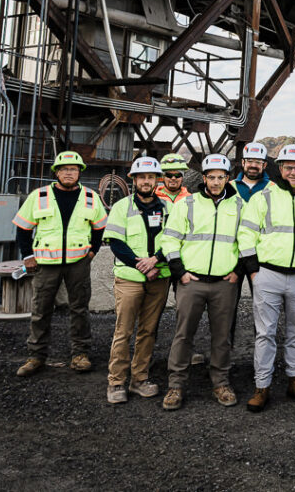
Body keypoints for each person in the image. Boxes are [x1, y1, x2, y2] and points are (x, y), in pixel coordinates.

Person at [237, 144, 295, 412]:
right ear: (280, 169)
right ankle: (261, 387)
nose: (293, 171)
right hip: (268, 274)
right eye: (288, 167)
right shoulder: (264, 197)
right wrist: (254, 270)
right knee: (265, 334)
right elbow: (246, 234)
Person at [160, 154, 244, 411]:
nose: (216, 182)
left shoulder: (240, 206)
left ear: (227, 178)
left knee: (221, 337)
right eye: (212, 177)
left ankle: (220, 382)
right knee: (183, 335)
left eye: (221, 177)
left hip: (224, 283)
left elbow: (248, 240)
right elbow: (170, 239)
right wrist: (180, 272)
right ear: (204, 178)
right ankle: (175, 385)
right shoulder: (188, 204)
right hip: (191, 281)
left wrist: (237, 271)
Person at [12, 151, 108, 377]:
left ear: (79, 172)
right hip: (45, 264)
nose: (68, 172)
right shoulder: (39, 196)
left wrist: (92, 252)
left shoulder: (91, 197)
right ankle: (36, 356)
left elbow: (100, 227)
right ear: (56, 172)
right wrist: (28, 256)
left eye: (73, 169)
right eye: (64, 169)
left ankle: (80, 354)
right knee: (41, 310)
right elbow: (23, 228)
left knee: (79, 309)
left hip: (78, 263)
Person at [102, 156, 171, 404]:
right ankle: (116, 382)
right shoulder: (122, 207)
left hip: (159, 277)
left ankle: (139, 379)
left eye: (150, 177)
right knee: (123, 331)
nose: (146, 181)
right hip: (130, 278)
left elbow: (174, 240)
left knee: (148, 331)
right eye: (141, 177)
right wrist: (141, 265)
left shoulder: (166, 208)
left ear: (156, 180)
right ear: (134, 180)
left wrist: (155, 260)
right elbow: (116, 242)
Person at [229, 141, 272, 346]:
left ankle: (262, 354)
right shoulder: (229, 188)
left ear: (265, 165)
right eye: (250, 161)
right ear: (242, 163)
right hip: (232, 258)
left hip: (261, 258)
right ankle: (224, 354)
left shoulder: (274, 189)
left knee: (263, 309)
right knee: (227, 309)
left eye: (258, 161)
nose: (253, 165)